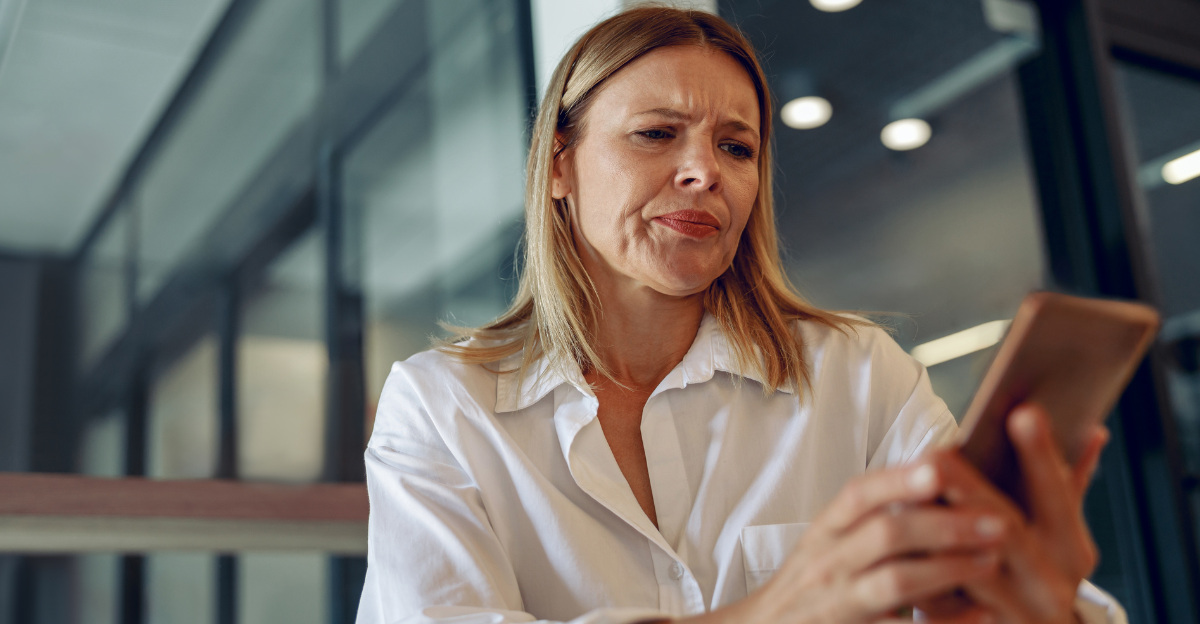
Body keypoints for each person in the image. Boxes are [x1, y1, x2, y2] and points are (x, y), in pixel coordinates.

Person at [356, 7, 1124, 624]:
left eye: (736, 146)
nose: (704, 172)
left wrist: (1041, 603)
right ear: (559, 162)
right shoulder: (442, 405)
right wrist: (782, 609)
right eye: (656, 134)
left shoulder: (856, 374)